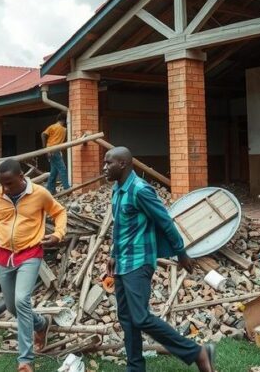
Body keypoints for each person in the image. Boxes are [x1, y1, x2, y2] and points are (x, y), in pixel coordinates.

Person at [104, 146, 216, 372]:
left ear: (123, 164)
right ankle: (135, 367)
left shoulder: (140, 190)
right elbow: (120, 227)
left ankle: (197, 352)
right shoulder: (117, 189)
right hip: (123, 261)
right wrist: (113, 255)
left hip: (139, 262)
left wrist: (180, 252)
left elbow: (165, 221)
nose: (104, 167)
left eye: (108, 163)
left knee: (140, 317)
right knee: (126, 318)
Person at [0, 159, 67, 372]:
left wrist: (58, 234)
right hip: (4, 256)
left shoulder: (39, 193)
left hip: (30, 253)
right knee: (12, 306)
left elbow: (59, 212)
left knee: (21, 300)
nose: (5, 188)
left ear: (21, 177)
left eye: (9, 183)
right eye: (2, 184)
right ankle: (42, 324)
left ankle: (25, 360)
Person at [41, 112, 70, 194]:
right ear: (64, 120)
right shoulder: (56, 127)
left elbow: (43, 134)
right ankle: (67, 189)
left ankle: (50, 189)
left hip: (53, 150)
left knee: (54, 171)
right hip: (53, 150)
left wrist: (45, 148)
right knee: (63, 169)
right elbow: (43, 134)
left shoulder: (61, 128)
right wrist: (45, 149)